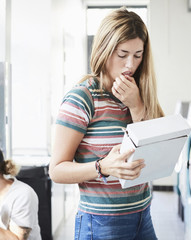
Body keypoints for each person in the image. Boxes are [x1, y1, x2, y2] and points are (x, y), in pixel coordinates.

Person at [49, 7, 164, 240]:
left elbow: (159, 148)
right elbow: (57, 170)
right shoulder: (83, 98)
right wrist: (102, 167)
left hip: (144, 215)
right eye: (122, 54)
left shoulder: (140, 93)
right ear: (104, 49)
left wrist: (137, 106)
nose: (130, 64)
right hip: (102, 224)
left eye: (138, 55)